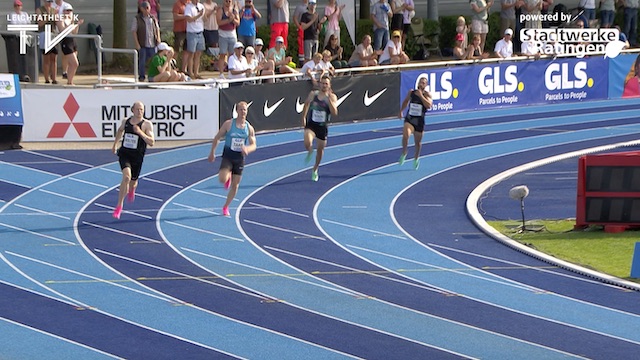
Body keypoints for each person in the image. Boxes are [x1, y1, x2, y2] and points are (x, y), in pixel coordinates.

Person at [207, 101, 257, 217]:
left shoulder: (249, 128)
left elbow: (254, 145)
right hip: (228, 155)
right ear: (237, 111)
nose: (243, 112)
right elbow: (217, 138)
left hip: (239, 158)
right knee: (222, 179)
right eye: (240, 109)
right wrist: (212, 153)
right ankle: (227, 176)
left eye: (244, 110)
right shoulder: (229, 124)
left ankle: (226, 206)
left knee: (235, 186)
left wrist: (247, 149)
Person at [111, 101, 155, 219]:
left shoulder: (146, 124)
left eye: (142, 109)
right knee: (126, 177)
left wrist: (140, 132)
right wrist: (115, 144)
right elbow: (120, 131)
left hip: (137, 156)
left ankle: (132, 189)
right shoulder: (126, 121)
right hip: (125, 153)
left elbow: (151, 142)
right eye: (137, 109)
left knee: (133, 182)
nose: (140, 112)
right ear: (132, 110)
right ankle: (119, 206)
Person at [301, 76, 338, 181]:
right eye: (322, 83)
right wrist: (303, 117)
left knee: (320, 149)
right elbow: (306, 104)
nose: (324, 85)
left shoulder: (332, 97)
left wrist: (329, 99)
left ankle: (315, 169)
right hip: (311, 124)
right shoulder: (314, 94)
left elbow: (335, 113)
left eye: (326, 84)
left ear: (329, 85)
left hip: (322, 126)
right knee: (307, 142)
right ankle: (309, 150)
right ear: (319, 84)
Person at [398, 76, 432, 170]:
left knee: (418, 143)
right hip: (410, 118)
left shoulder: (427, 95)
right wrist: (401, 111)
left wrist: (421, 95)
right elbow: (405, 101)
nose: (422, 84)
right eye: (421, 82)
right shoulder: (412, 92)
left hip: (419, 121)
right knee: (406, 135)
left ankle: (416, 158)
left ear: (426, 85)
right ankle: (404, 152)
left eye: (424, 83)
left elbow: (429, 105)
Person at [132, 1, 161, 82]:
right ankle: (141, 76)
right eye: (146, 8)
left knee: (154, 60)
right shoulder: (137, 19)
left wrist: (158, 38)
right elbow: (134, 31)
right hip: (143, 44)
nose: (148, 10)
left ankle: (153, 75)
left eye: (149, 8)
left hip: (152, 44)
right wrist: (137, 43)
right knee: (142, 61)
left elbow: (157, 28)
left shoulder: (153, 18)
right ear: (142, 9)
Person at [57, 3, 83, 85]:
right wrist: (71, 26)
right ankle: (69, 81)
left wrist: (77, 25)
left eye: (70, 11)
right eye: (67, 11)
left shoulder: (71, 20)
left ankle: (70, 80)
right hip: (66, 41)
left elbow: (75, 33)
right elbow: (62, 31)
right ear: (63, 11)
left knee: (72, 64)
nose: (68, 12)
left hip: (72, 41)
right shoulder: (60, 19)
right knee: (75, 63)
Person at [4, 0, 31, 82]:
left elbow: (28, 24)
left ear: (21, 6)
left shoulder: (25, 14)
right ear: (14, 7)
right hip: (15, 37)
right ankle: (17, 74)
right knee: (15, 57)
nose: (17, 7)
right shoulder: (12, 15)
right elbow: (13, 25)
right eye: (16, 6)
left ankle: (25, 73)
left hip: (23, 37)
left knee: (23, 56)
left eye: (19, 6)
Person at [216, 0, 240, 79]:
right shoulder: (220, 10)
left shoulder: (234, 11)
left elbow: (238, 22)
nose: (228, 2)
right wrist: (228, 20)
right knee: (222, 54)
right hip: (223, 34)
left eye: (229, 1)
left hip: (232, 34)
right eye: (226, 1)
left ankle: (231, 71)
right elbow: (219, 22)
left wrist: (233, 19)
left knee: (232, 54)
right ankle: (221, 73)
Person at [37, 0, 58, 84]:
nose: (49, 3)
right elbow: (40, 23)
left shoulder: (54, 10)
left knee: (54, 58)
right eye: (47, 1)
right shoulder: (39, 10)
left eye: (50, 1)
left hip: (53, 34)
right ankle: (46, 78)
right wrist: (48, 17)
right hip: (44, 34)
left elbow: (56, 23)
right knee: (46, 58)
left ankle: (54, 78)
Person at [184, 0, 206, 79]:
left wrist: (206, 14)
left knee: (198, 54)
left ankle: (196, 72)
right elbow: (189, 19)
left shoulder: (201, 6)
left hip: (200, 32)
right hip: (192, 33)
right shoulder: (188, 7)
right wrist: (199, 15)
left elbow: (205, 19)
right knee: (191, 53)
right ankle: (191, 72)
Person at [172, 0, 189, 71]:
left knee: (186, 50)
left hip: (188, 30)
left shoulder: (189, 3)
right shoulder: (177, 4)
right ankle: (173, 68)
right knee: (177, 49)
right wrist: (186, 16)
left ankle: (184, 69)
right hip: (179, 30)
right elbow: (175, 16)